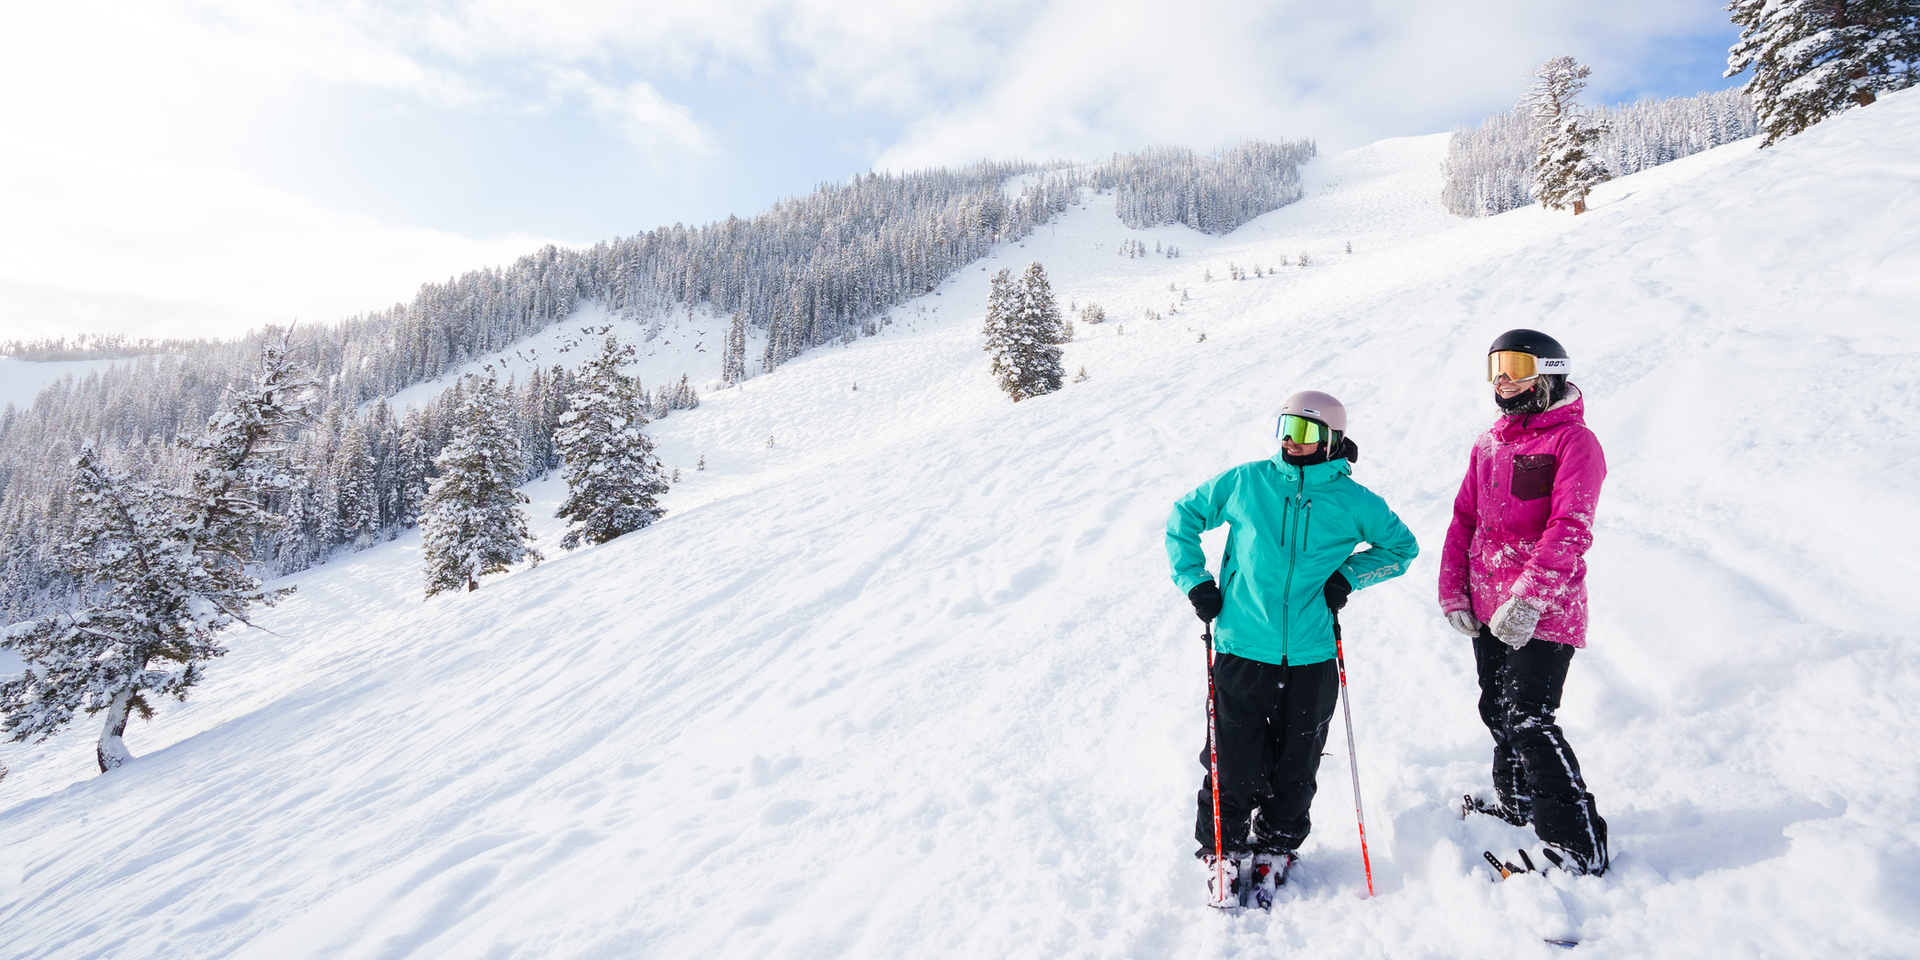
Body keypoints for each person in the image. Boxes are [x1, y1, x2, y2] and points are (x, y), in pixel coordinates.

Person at [1166, 390, 1419, 905]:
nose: (1290, 440)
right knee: (1231, 756)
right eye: (1285, 427)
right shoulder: (1247, 481)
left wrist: (1349, 577)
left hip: (1312, 655)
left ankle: (1279, 843)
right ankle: (1222, 847)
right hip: (1241, 646)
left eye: (1303, 432)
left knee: (1297, 759)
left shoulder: (1355, 501)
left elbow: (1402, 549)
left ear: (1330, 438)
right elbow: (1184, 519)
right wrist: (1196, 581)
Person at [1439, 328, 1610, 876]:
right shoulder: (1489, 444)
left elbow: (1570, 527)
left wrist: (1530, 598)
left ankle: (1580, 844)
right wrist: (1454, 592)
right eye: (1496, 368)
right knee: (1498, 711)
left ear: (1550, 372)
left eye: (1516, 365)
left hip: (1545, 610)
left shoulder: (1574, 443)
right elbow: (1466, 518)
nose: (1504, 379)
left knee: (1529, 718)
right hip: (1490, 608)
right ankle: (1517, 806)